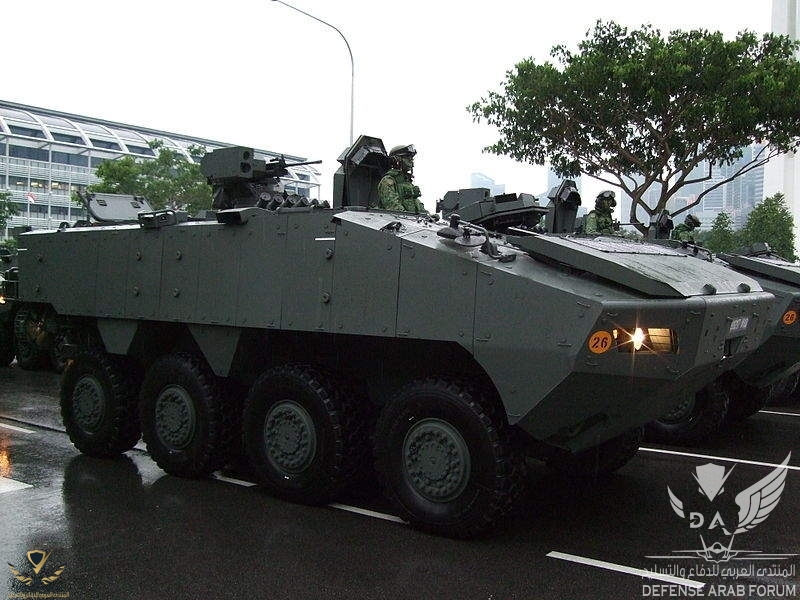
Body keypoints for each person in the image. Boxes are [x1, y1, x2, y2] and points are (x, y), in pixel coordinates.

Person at [374, 144, 427, 214]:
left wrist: (426, 214)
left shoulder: (406, 182)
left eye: (412, 158)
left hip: (409, 219)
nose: (411, 161)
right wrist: (408, 217)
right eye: (408, 158)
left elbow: (415, 201)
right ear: (396, 160)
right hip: (395, 219)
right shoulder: (387, 181)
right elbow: (394, 208)